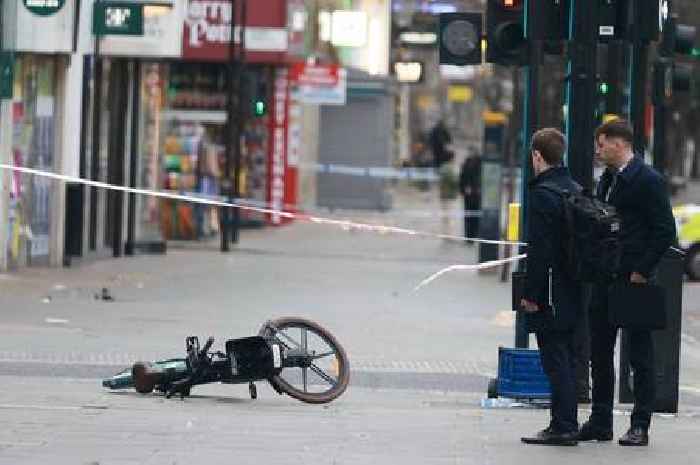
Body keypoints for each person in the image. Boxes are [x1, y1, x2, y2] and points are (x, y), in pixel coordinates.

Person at [576, 118, 676, 446]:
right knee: (600, 352)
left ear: (620, 144)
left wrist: (642, 270)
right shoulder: (606, 180)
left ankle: (640, 425)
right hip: (605, 278)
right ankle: (601, 420)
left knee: (639, 354)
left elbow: (664, 231)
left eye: (602, 144)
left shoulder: (647, 180)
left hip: (634, 279)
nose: (598, 150)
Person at [520, 128, 582, 446]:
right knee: (567, 357)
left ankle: (563, 426)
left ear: (537, 156)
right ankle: (566, 422)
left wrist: (531, 296)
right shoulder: (573, 188)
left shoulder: (544, 195)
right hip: (573, 288)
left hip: (551, 291)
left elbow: (540, 251)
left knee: (555, 359)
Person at [458, 148, 481, 242]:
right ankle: (469, 237)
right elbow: (462, 178)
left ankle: (474, 235)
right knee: (468, 216)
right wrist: (463, 190)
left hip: (476, 194)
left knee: (475, 216)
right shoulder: (466, 164)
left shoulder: (479, 164)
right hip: (469, 195)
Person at [438, 150, 459, 236]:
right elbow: (453, 180)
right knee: (449, 216)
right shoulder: (449, 168)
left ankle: (446, 233)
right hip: (449, 194)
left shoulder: (443, 167)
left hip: (444, 194)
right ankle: (449, 234)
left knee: (446, 216)